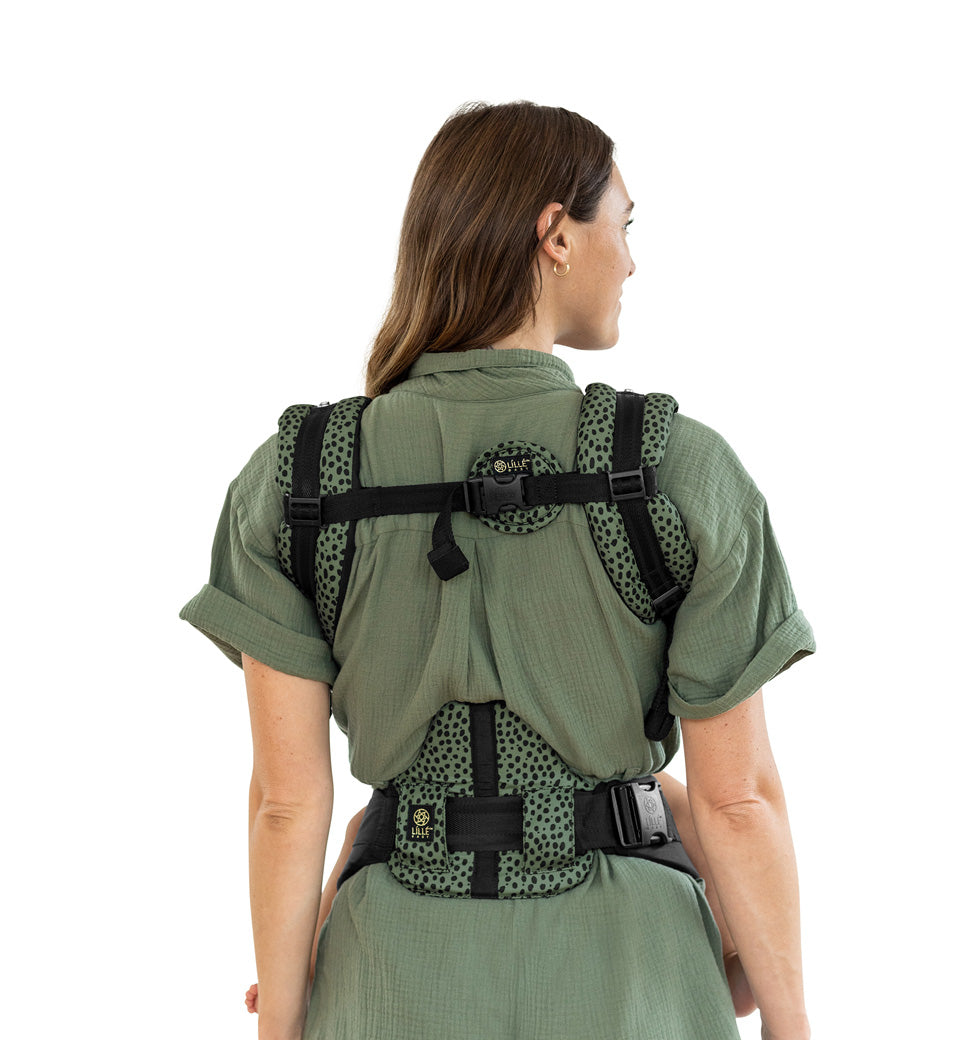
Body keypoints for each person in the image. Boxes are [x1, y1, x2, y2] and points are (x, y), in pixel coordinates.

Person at [181, 100, 814, 1040]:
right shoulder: (673, 469)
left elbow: (287, 802)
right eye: (624, 224)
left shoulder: (298, 482)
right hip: (632, 976)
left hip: (390, 973)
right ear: (556, 235)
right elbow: (738, 798)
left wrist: (282, 1018)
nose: (631, 260)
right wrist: (789, 1019)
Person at [243, 772, 757, 1018]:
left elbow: (361, 832)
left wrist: (299, 974)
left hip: (414, 935)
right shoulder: (655, 795)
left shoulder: (656, 799)